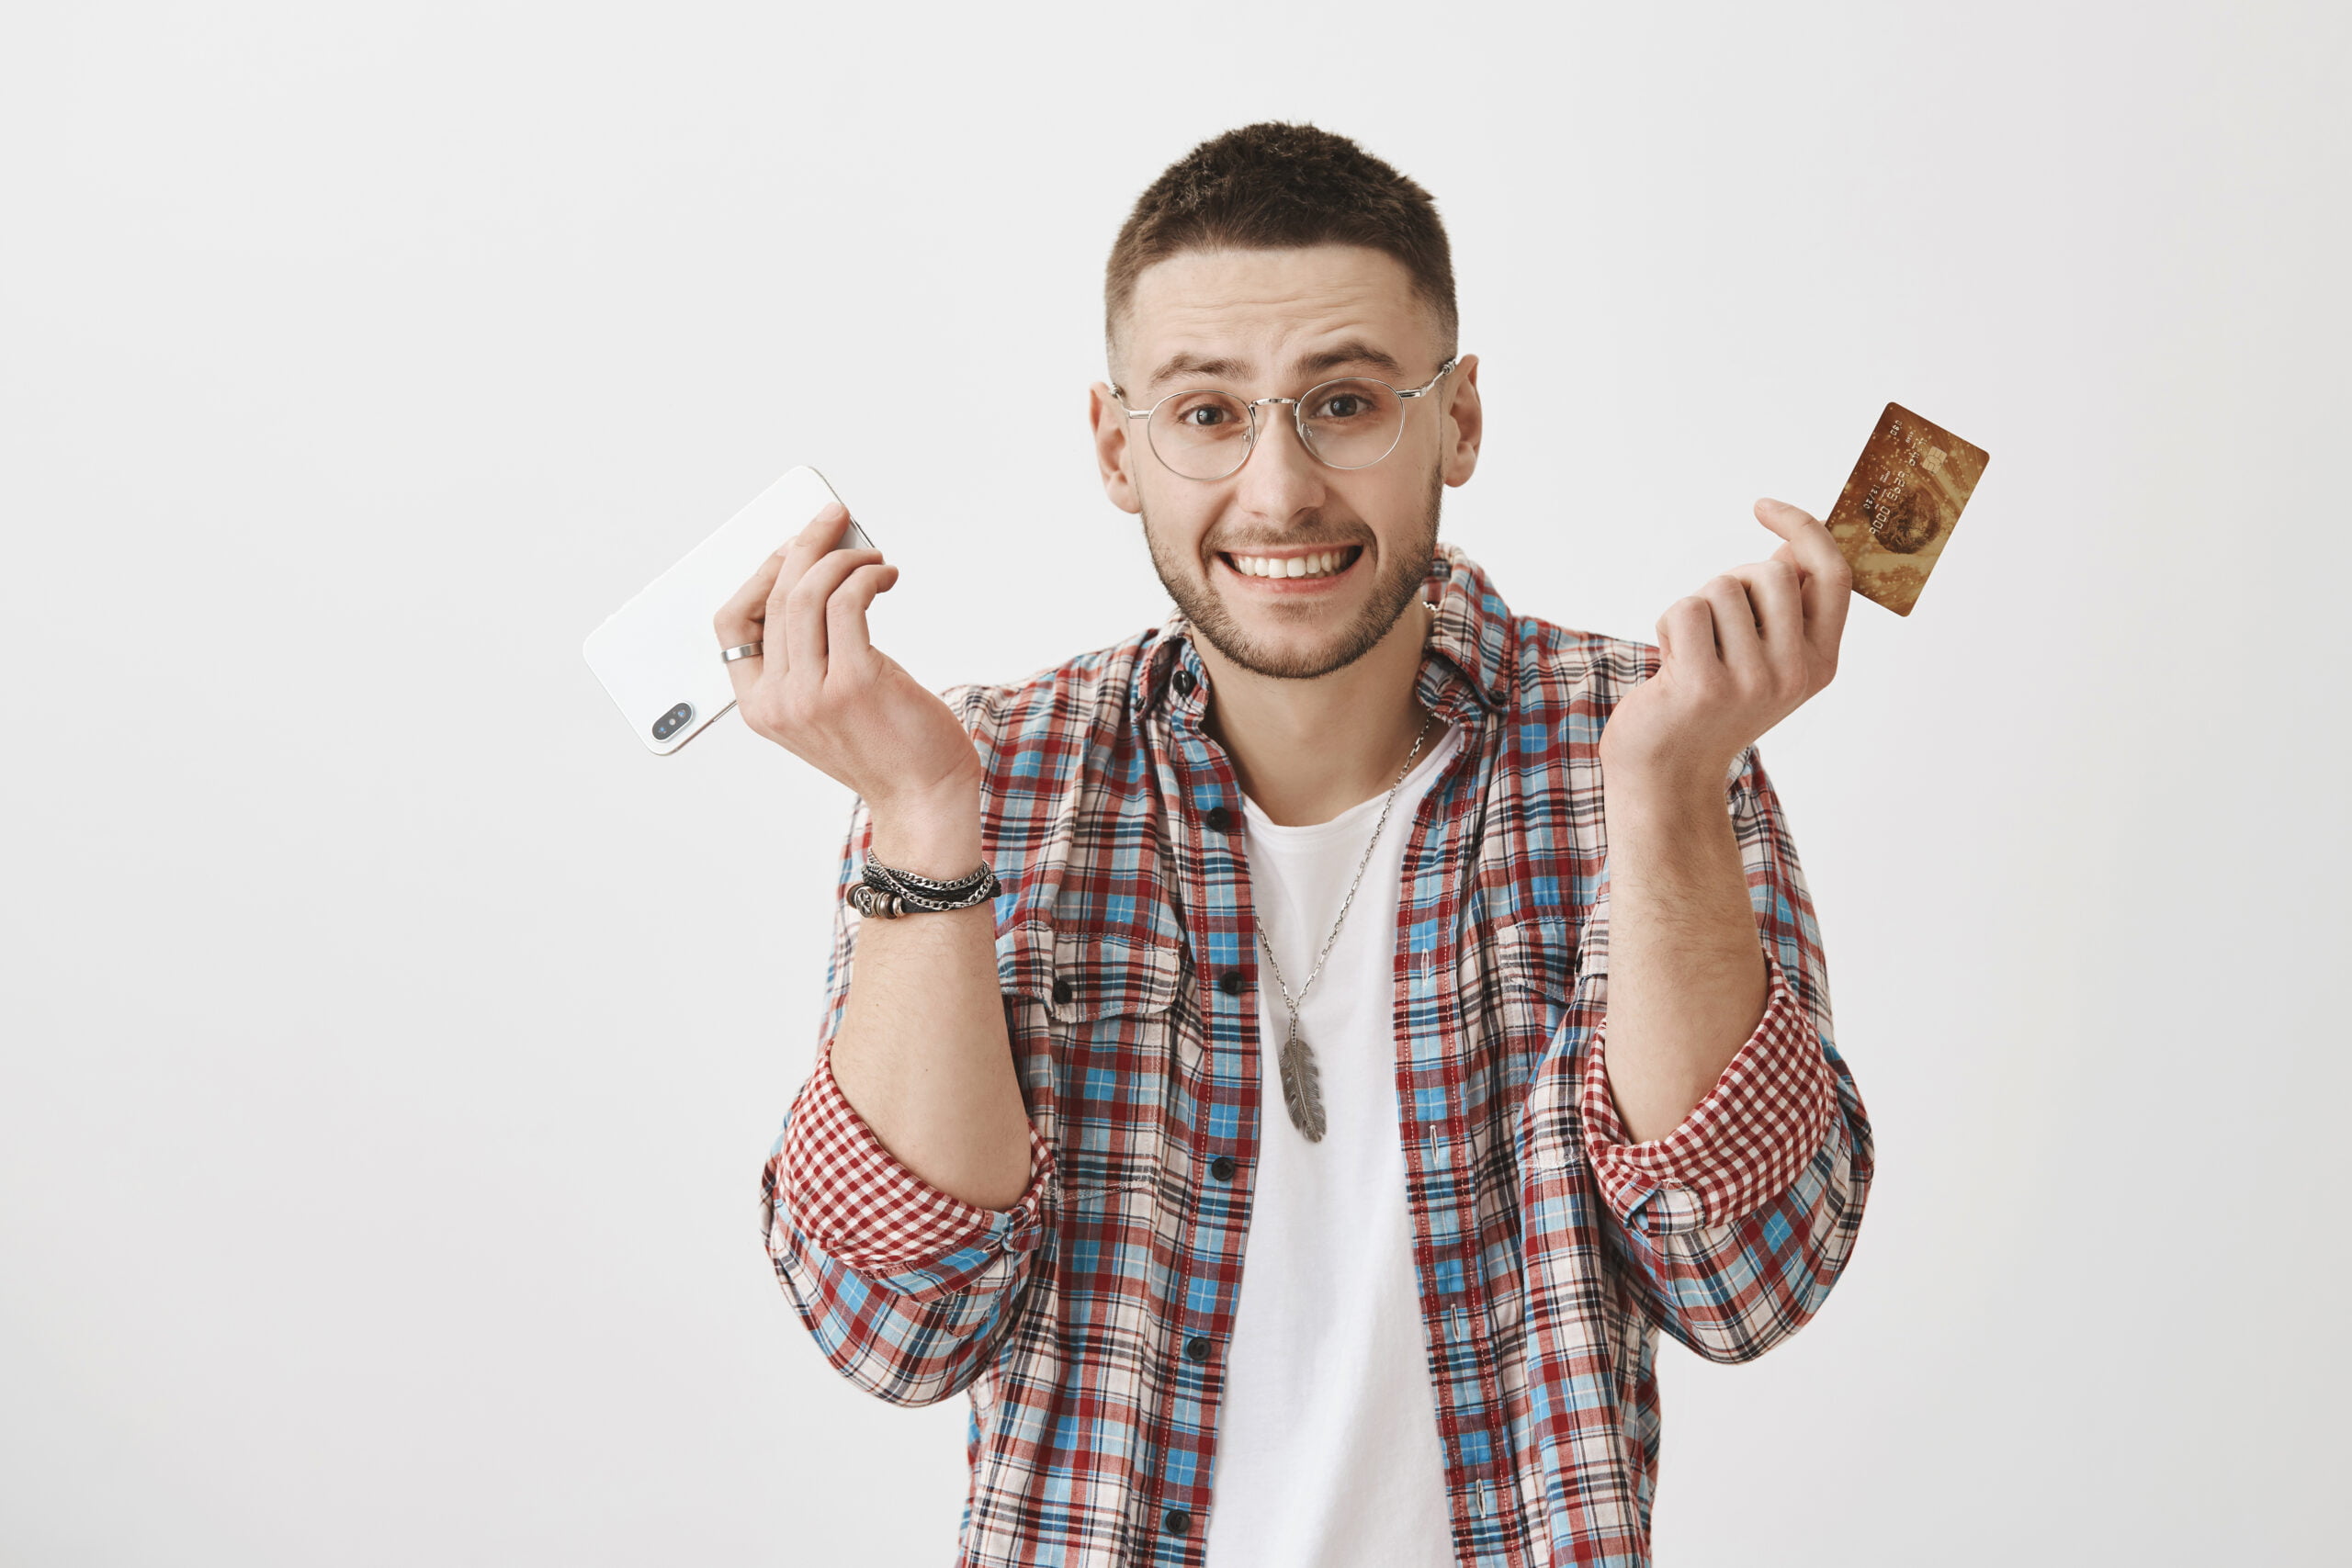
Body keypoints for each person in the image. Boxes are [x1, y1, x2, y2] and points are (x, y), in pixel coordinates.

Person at [723, 122, 1873, 1568]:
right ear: (1114, 445)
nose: (1277, 491)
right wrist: (924, 825)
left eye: (1343, 403)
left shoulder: (1650, 741)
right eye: (1208, 414)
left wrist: (1667, 801)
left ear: (1457, 420)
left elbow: (1745, 1280)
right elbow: (894, 1326)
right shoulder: (987, 774)